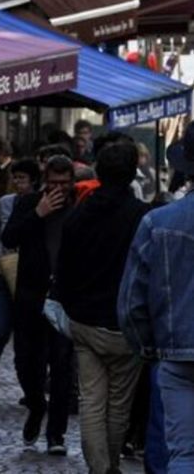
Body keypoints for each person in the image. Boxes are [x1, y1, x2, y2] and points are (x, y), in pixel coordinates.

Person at [55, 143, 150, 474]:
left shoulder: (79, 214)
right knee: (118, 404)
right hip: (127, 323)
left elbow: (63, 269)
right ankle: (109, 466)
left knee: (92, 403)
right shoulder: (142, 216)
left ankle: (100, 468)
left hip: (85, 321)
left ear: (99, 171)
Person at [119, 122, 194, 473]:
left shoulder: (158, 222)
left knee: (183, 455)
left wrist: (150, 349)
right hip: (174, 352)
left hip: (176, 353)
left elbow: (132, 304)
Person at [2, 155, 76, 455]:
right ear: (45, 181)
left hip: (62, 298)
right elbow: (9, 237)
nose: (59, 188)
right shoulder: (28, 203)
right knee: (25, 362)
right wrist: (38, 213)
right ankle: (35, 404)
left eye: (64, 183)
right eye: (53, 183)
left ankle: (56, 434)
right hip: (30, 297)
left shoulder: (78, 207)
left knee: (61, 367)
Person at [0, 158, 40, 400]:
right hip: (4, 274)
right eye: (16, 178)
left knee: (29, 337)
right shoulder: (5, 204)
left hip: (30, 279)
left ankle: (32, 387)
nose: (17, 183)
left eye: (22, 178)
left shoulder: (40, 205)